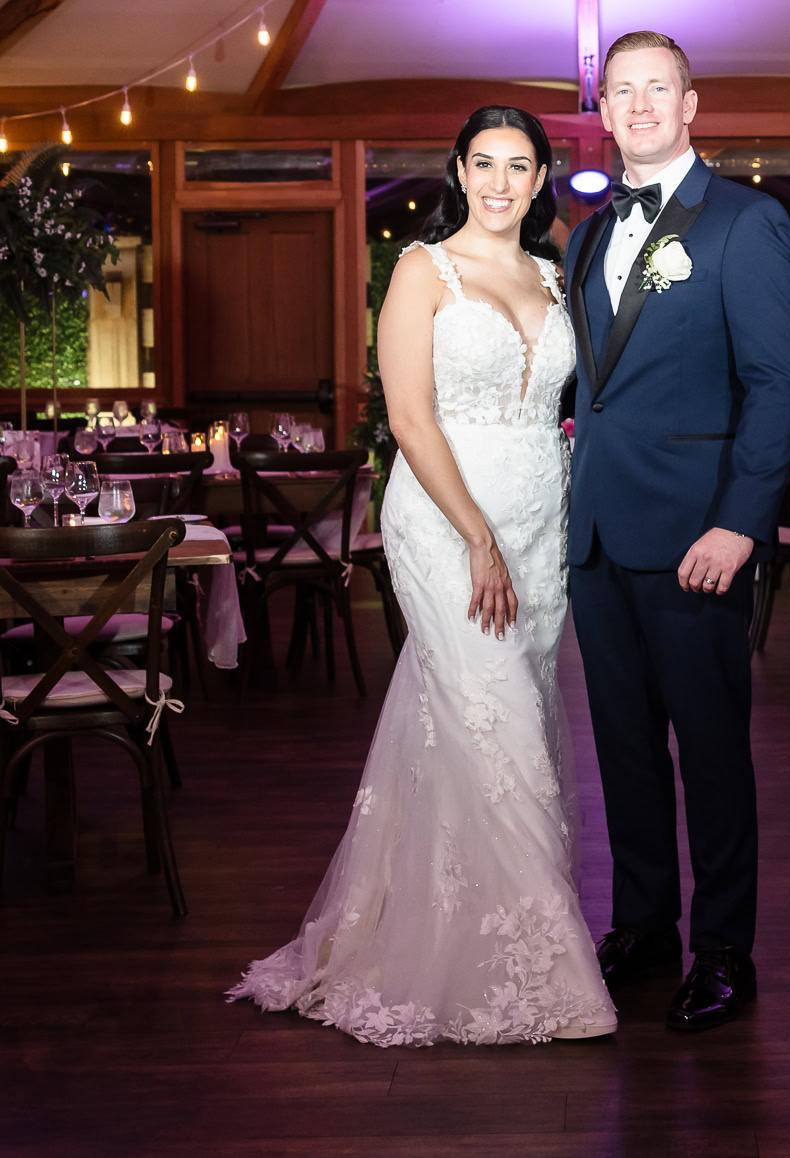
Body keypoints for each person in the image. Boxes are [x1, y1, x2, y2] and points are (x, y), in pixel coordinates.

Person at [228, 107, 616, 1047]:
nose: (499, 182)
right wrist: (478, 537)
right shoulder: (421, 269)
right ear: (459, 170)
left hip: (541, 525)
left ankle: (449, 936)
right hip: (448, 525)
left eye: (518, 166)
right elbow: (408, 417)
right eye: (484, 163)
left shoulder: (555, 275)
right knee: (495, 718)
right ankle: (545, 970)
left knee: (498, 717)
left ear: (540, 180)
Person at [564, 31, 790, 1032]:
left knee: (709, 751)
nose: (639, 104)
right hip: (596, 537)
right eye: (621, 90)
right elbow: (594, 393)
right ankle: (643, 926)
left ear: (690, 104)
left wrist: (738, 525)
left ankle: (722, 948)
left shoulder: (745, 222)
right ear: (604, 112)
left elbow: (777, 385)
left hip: (698, 539)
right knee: (623, 751)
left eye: (657, 87)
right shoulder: (584, 236)